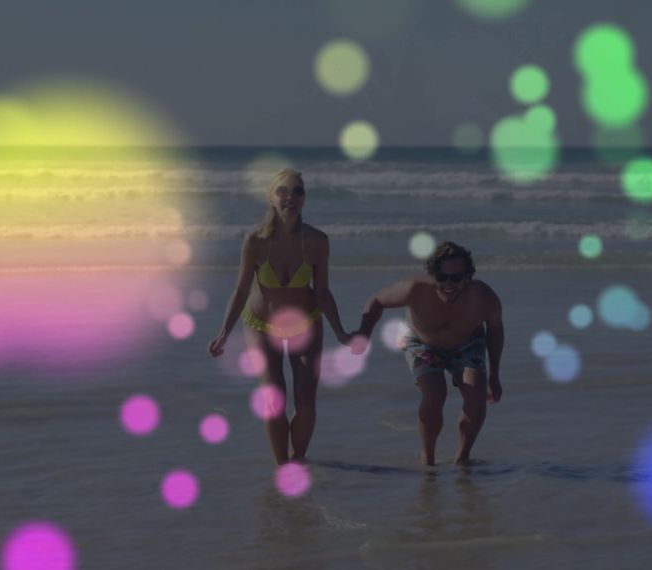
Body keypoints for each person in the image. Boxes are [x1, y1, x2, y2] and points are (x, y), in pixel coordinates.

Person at [208, 168, 350, 465]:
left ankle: (298, 461)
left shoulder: (317, 241)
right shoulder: (255, 242)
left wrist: (341, 332)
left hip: (306, 324)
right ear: (271, 198)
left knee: (306, 404)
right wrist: (224, 332)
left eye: (298, 191)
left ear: (304, 199)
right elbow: (241, 290)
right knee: (273, 402)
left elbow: (323, 293)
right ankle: (281, 468)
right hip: (261, 326)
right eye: (282, 191)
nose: (290, 197)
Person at [352, 242, 504, 466]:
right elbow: (376, 301)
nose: (448, 284)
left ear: (468, 276)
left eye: (456, 278)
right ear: (433, 275)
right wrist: (364, 334)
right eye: (442, 277)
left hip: (467, 342)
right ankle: (428, 460)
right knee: (435, 394)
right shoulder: (414, 289)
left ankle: (462, 459)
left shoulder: (484, 297)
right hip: (421, 342)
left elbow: (495, 330)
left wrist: (494, 375)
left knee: (476, 398)